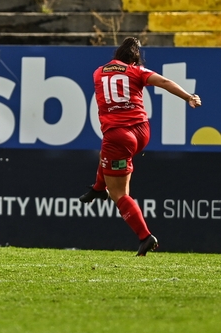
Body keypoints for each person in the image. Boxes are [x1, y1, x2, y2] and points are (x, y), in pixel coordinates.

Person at [79, 37, 201, 256]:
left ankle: (145, 237)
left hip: (118, 135)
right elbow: (163, 82)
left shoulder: (98, 72)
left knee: (119, 193)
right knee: (106, 156)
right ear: (134, 60)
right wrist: (188, 97)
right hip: (142, 131)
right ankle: (97, 189)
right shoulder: (137, 71)